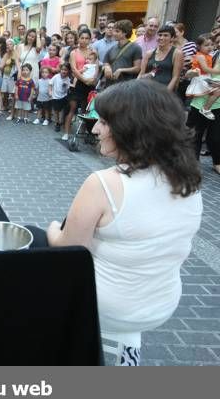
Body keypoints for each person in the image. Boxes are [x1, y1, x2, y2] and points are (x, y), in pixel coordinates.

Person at [35, 80, 202, 365]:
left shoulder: (103, 183)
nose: (95, 129)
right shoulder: (188, 180)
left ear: (130, 128)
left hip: (110, 306)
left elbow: (67, 250)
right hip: (161, 302)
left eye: (102, 121)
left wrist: (52, 228)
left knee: (32, 240)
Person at [64, 29, 97, 141]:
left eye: (87, 38)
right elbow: (73, 69)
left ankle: (83, 131)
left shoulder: (93, 51)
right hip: (77, 83)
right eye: (82, 38)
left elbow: (97, 67)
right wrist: (83, 79)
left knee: (85, 109)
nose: (84, 40)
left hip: (90, 84)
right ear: (78, 39)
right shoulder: (74, 52)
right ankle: (66, 132)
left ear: (90, 39)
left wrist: (93, 79)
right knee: (72, 108)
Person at [139, 25, 184, 92]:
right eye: (160, 35)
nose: (161, 38)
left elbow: (175, 77)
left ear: (172, 38)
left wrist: (166, 94)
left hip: (164, 90)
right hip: (147, 90)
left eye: (165, 35)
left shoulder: (177, 53)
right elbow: (141, 73)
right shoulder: (149, 53)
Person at [102, 19, 142, 87]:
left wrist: (121, 70)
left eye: (117, 31)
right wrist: (106, 67)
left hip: (125, 86)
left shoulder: (136, 48)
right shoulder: (112, 48)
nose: (114, 33)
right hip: (109, 85)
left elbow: (137, 68)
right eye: (114, 31)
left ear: (125, 33)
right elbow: (106, 62)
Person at [49, 63, 71, 132]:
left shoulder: (68, 79)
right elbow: (50, 84)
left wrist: (67, 86)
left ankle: (61, 121)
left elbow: (68, 88)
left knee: (62, 110)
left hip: (63, 96)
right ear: (60, 70)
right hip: (55, 96)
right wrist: (50, 91)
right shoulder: (56, 76)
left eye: (66, 70)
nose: (63, 71)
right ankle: (57, 123)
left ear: (68, 71)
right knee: (56, 111)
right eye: (62, 69)